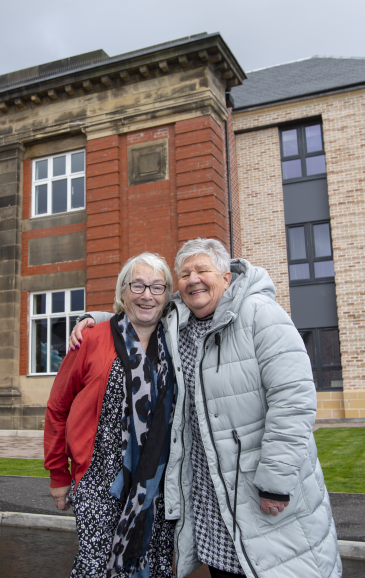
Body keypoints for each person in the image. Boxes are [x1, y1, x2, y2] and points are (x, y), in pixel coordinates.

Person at [70, 238, 341, 578]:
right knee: (225, 567)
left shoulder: (261, 314)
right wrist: (92, 319)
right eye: (184, 274)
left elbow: (294, 401)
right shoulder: (177, 321)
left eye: (203, 270)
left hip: (259, 487)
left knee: (279, 565)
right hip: (208, 493)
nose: (193, 279)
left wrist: (276, 481)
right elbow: (140, 312)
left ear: (226, 277)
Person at [44, 252, 178, 578]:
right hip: (99, 484)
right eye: (139, 285)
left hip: (157, 488)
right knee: (96, 567)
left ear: (167, 296)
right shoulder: (90, 338)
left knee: (152, 567)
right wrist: (59, 475)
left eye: (157, 287)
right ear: (122, 292)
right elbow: (58, 407)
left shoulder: (177, 340)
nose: (147, 295)